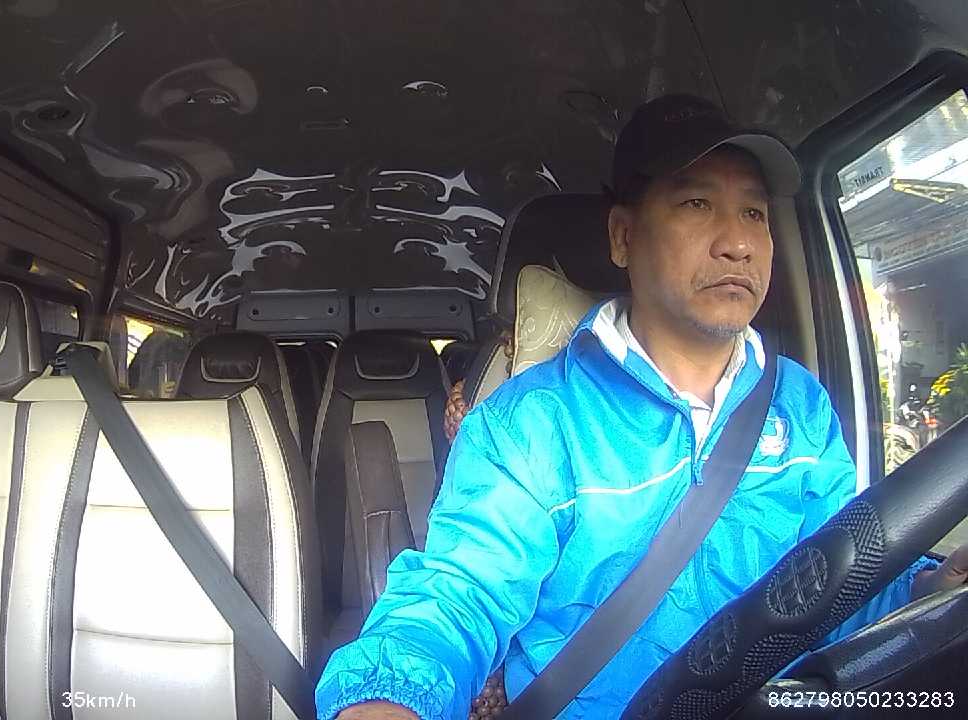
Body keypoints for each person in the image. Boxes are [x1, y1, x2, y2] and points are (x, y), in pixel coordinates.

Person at [315, 94, 968, 720]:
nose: (737, 243)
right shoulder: (532, 422)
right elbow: (459, 591)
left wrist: (924, 589)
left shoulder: (801, 404)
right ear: (623, 236)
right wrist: (390, 698)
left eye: (754, 213)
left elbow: (835, 576)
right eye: (696, 203)